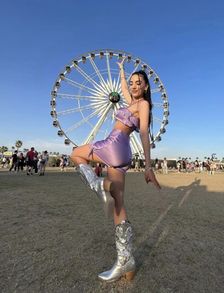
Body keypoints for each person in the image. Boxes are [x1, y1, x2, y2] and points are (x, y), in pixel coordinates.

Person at [70, 58, 161, 283]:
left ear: (146, 86)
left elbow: (143, 134)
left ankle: (100, 185)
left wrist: (148, 165)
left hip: (114, 144)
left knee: (75, 154)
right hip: (121, 152)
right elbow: (122, 87)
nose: (134, 85)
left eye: (139, 82)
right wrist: (121, 70)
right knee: (118, 204)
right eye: (132, 82)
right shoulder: (131, 101)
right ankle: (126, 261)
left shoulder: (143, 105)